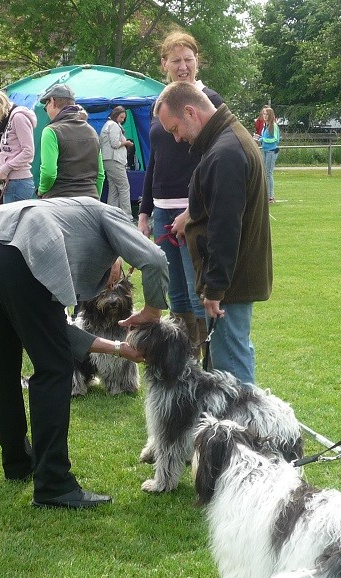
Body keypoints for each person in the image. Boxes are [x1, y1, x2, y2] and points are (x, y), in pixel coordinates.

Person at [0, 197, 169, 509]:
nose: (108, 283)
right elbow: (155, 259)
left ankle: (18, 462)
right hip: (16, 247)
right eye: (110, 277)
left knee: (1, 360)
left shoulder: (69, 226)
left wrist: (118, 348)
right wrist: (153, 313)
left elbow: (54, 330)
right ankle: (53, 484)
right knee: (55, 368)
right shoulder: (108, 214)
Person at [154, 82, 272, 385]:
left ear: (191, 112)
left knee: (231, 368)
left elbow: (226, 226)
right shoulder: (224, 142)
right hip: (231, 278)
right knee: (229, 357)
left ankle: (245, 432)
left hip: (230, 282)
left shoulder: (226, 151)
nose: (177, 138)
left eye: (175, 129)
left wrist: (215, 288)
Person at [137, 31, 224, 355]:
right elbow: (154, 160)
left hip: (194, 213)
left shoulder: (209, 101)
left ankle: (208, 363)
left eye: (188, 59)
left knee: (195, 288)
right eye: (176, 60)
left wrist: (192, 212)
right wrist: (145, 212)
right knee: (175, 294)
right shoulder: (158, 105)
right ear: (165, 64)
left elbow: (215, 162)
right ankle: (183, 362)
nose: (183, 66)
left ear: (197, 62)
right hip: (162, 212)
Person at [37, 84, 104, 199]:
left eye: (46, 105)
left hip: (59, 200)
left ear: (53, 101)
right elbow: (100, 175)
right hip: (90, 199)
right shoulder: (91, 131)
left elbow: (49, 173)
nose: (46, 110)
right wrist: (95, 198)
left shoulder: (51, 131)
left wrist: (41, 191)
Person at [0, 88, 36, 204]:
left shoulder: (18, 118)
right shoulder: (7, 121)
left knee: (15, 222)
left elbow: (28, 151)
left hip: (19, 182)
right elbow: (9, 152)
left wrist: (6, 168)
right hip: (10, 181)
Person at [99, 106, 134, 215]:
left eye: (124, 118)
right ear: (115, 115)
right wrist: (127, 143)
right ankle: (127, 215)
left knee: (113, 188)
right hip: (115, 159)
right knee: (124, 187)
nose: (122, 120)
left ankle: (111, 214)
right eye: (121, 117)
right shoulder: (114, 125)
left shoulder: (107, 124)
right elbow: (115, 144)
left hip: (107, 159)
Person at [257, 106, 280, 203]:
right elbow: (263, 137)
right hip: (265, 151)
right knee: (265, 173)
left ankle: (271, 196)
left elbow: (275, 139)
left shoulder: (273, 126)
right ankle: (266, 194)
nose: (265, 116)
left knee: (269, 173)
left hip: (272, 151)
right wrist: (258, 138)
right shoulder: (264, 126)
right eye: (263, 114)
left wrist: (263, 139)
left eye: (266, 114)